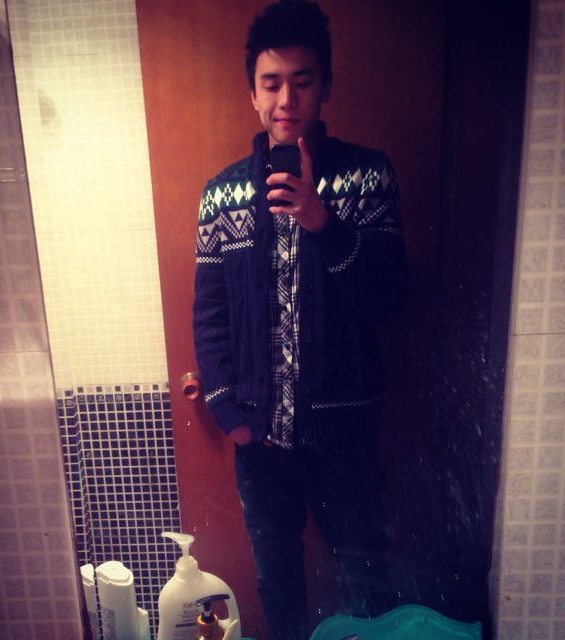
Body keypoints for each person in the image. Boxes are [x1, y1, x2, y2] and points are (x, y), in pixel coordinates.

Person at [192, 1, 407, 638]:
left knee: (368, 581)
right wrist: (229, 411)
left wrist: (321, 220)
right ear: (253, 93)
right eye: (272, 83)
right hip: (259, 442)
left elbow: (388, 296)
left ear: (325, 86)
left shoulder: (369, 177)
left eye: (302, 81)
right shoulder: (221, 195)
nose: (286, 99)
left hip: (346, 435)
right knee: (277, 586)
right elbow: (209, 312)